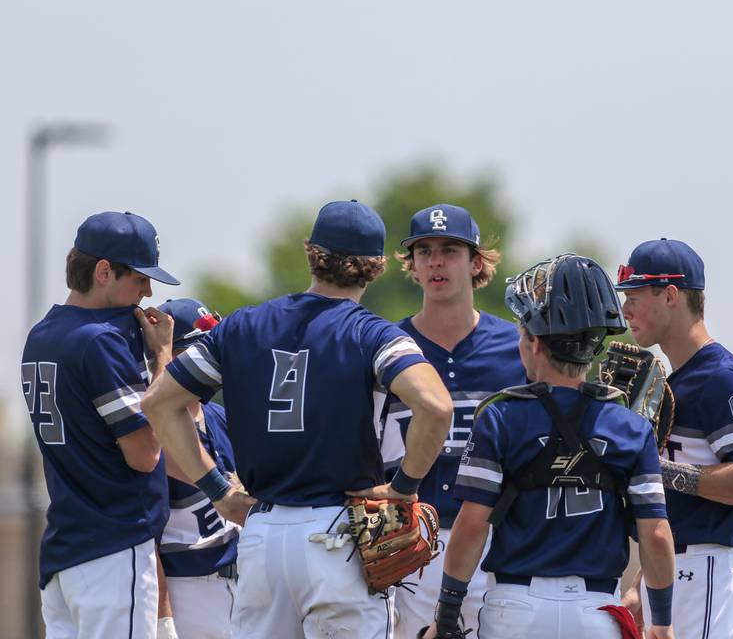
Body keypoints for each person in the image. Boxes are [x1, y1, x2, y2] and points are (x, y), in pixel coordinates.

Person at [142, 200, 453, 639]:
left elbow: (158, 403)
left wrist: (217, 491)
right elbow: (437, 407)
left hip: (261, 536)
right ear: (377, 267)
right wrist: (403, 488)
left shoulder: (242, 327)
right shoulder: (373, 334)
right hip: (338, 535)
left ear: (311, 252)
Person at [422, 254, 676, 639]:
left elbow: (472, 526)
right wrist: (661, 622)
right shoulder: (629, 425)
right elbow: (655, 534)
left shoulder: (501, 417)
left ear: (534, 342)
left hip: (515, 608)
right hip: (597, 611)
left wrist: (447, 613)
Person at [21, 211, 179, 639]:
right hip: (113, 547)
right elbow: (145, 455)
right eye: (140, 278)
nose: (147, 292)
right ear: (104, 271)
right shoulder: (101, 339)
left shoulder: (42, 333)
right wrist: (162, 356)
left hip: (66, 553)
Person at [381, 204, 527, 638]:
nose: (436, 261)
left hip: (496, 543)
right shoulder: (388, 346)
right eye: (423, 251)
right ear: (412, 264)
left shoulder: (517, 345)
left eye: (450, 249)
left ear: (476, 261)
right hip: (410, 546)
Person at [616, 238, 733, 639]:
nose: (625, 308)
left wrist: (657, 470)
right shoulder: (671, 382)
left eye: (634, 294)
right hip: (679, 569)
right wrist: (643, 582)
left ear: (670, 295)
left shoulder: (725, 380)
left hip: (712, 568)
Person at [154, 298, 240, 639]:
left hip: (242, 584)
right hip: (186, 590)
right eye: (196, 352)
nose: (211, 361)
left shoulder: (219, 417)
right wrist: (164, 622)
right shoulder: (148, 437)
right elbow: (147, 543)